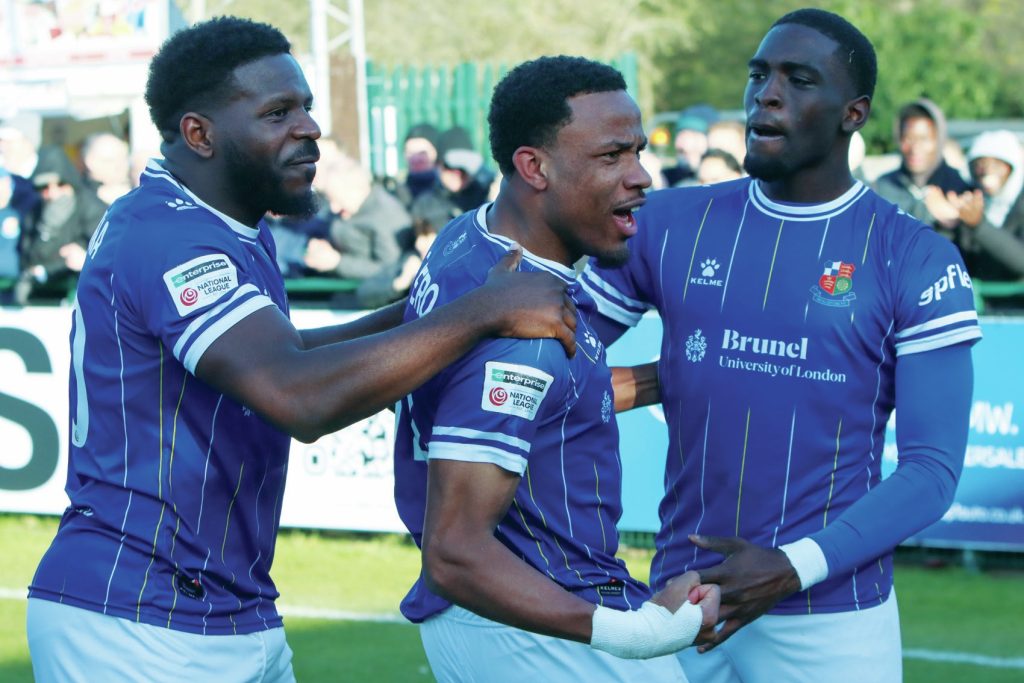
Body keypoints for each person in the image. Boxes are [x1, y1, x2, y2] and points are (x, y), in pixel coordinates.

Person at [25, 17, 577, 683]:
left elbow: (288, 353)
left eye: (307, 107)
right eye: (278, 112)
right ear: (199, 133)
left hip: (221, 607)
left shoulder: (216, 223)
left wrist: (434, 308)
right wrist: (479, 312)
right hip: (139, 618)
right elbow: (299, 394)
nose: (310, 128)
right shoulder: (170, 239)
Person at [582, 9, 980, 683]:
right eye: (759, 74)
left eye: (799, 80)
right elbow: (555, 357)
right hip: (682, 604)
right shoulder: (673, 223)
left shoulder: (913, 256)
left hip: (832, 615)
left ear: (852, 114)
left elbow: (932, 471)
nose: (766, 94)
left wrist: (791, 566)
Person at [393, 55, 719, 683]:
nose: (641, 176)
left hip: (516, 614)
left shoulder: (470, 241)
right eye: (611, 157)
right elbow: (455, 551)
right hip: (531, 622)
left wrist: (671, 376)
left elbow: (549, 408)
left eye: (638, 152)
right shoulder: (523, 329)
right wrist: (632, 629)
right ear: (533, 166)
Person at [946, 129, 1024, 309]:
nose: (986, 170)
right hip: (981, 311)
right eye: (978, 164)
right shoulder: (969, 199)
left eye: (996, 164)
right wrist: (946, 224)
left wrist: (979, 225)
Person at [302, 151, 410, 280]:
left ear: (357, 190)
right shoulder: (344, 211)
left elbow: (391, 269)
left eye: (337, 200)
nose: (333, 208)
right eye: (330, 200)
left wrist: (337, 263)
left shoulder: (387, 217)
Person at [874, 98, 971, 232]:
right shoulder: (882, 188)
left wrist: (959, 224)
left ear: (939, 140)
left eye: (924, 139)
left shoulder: (958, 189)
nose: (915, 148)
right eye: (908, 138)